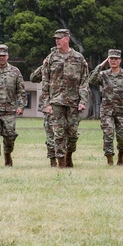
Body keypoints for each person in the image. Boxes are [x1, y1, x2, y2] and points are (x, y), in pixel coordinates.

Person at [40, 29, 89, 168]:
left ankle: (68, 155)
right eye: (55, 38)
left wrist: (83, 101)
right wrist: (46, 103)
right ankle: (61, 162)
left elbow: (84, 82)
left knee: (72, 133)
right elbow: (45, 82)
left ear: (67, 39)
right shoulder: (51, 58)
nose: (57, 41)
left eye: (60, 38)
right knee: (58, 133)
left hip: (73, 102)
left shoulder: (79, 58)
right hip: (56, 102)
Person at [88, 49, 123, 165]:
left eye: (116, 59)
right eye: (111, 58)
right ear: (108, 60)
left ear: (120, 61)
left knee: (122, 136)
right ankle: (109, 160)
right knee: (108, 134)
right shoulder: (104, 75)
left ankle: (121, 154)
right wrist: (100, 65)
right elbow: (91, 79)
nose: (113, 61)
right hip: (107, 110)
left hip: (122, 110)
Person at [30, 49, 59, 166]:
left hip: (64, 103)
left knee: (65, 134)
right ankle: (53, 160)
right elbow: (33, 78)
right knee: (50, 133)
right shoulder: (45, 68)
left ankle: (65, 158)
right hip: (49, 105)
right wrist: (42, 66)